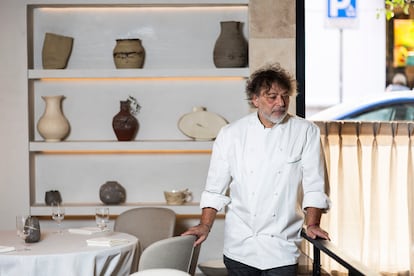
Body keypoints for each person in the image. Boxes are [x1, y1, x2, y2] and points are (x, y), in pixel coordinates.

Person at [182, 63, 331, 276]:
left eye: (285, 96)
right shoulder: (231, 134)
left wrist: (313, 223)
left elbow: (314, 185)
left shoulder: (306, 131)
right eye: (272, 96)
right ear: (255, 99)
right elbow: (215, 189)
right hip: (240, 244)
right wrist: (205, 225)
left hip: (282, 245)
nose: (281, 102)